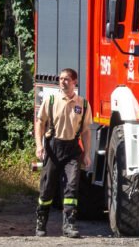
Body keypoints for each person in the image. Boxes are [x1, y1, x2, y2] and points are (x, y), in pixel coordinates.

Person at [33, 68, 95, 238]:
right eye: (61, 79)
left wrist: (87, 153)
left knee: (71, 186)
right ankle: (41, 222)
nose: (63, 82)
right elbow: (40, 123)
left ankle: (69, 225)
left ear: (75, 82)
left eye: (66, 79)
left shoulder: (82, 104)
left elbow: (86, 131)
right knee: (47, 187)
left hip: (72, 149)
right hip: (53, 147)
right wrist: (39, 146)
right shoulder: (51, 100)